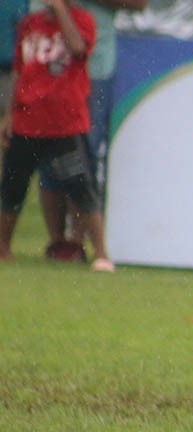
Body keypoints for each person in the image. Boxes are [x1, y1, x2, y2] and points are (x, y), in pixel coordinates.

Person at [0, 0, 113, 270]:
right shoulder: (30, 24)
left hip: (65, 122)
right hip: (28, 120)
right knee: (13, 185)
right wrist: (9, 115)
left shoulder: (82, 20)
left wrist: (61, 11)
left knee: (81, 185)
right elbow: (19, 69)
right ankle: (3, 246)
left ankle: (101, 252)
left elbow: (77, 49)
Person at [37, 0, 146, 262]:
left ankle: (81, 242)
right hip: (45, 70)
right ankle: (58, 242)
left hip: (91, 70)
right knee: (49, 157)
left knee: (82, 160)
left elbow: (139, 4)